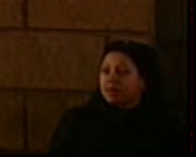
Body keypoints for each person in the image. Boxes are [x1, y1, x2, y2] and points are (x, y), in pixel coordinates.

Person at [49, 39, 186, 154]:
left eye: (122, 72)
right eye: (105, 71)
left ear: (143, 81)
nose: (111, 79)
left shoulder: (167, 127)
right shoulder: (77, 123)